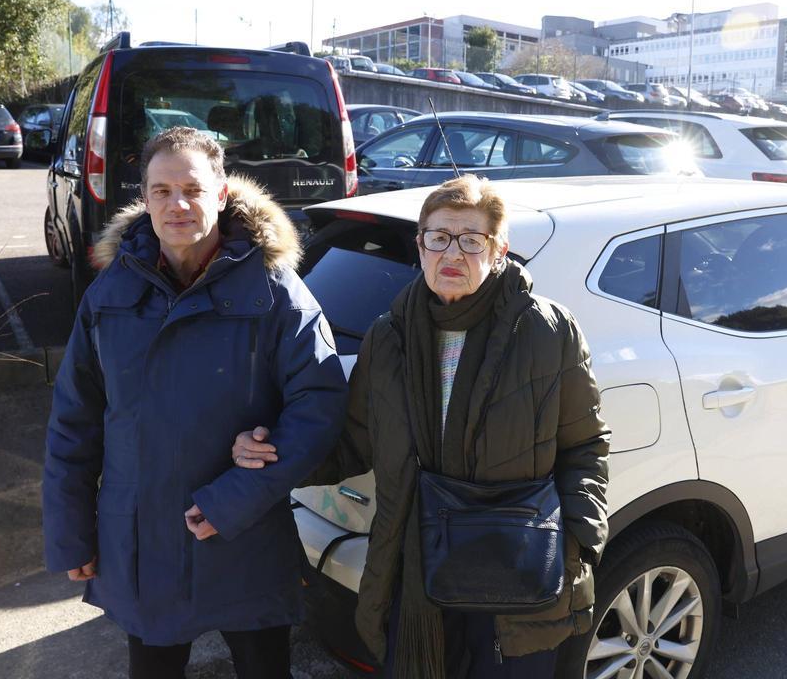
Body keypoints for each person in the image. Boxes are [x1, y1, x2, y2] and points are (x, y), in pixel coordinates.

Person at [234, 174, 611, 678]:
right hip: (413, 574)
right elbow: (352, 444)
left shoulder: (547, 332)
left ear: (499, 249)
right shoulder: (388, 338)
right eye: (439, 238)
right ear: (421, 245)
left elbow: (586, 445)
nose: (452, 253)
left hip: (513, 581)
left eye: (471, 240)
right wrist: (274, 452)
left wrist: (577, 543)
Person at [42, 126, 347, 679]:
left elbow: (318, 404)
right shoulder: (110, 295)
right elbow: (74, 421)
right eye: (161, 190)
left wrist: (237, 494)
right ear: (145, 198)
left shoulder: (275, 291)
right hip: (141, 536)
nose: (177, 204)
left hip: (243, 531)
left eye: (193, 188)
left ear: (223, 194)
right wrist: (71, 529)